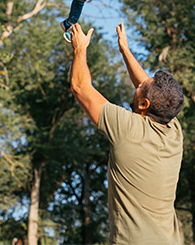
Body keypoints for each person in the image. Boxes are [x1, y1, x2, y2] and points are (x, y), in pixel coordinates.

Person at [69, 22, 183, 244]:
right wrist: (125, 50)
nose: (137, 84)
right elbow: (148, 89)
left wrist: (80, 48)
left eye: (140, 87)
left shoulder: (127, 130)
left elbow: (80, 87)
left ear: (143, 104)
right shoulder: (174, 131)